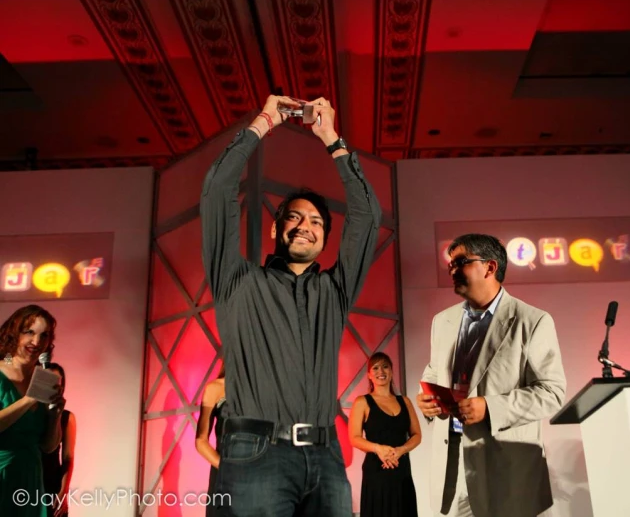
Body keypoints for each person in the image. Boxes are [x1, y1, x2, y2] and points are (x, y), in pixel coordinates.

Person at [200, 94, 381, 516]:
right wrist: (263, 123)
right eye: (295, 217)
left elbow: (368, 217)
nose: (306, 226)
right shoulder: (238, 282)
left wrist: (332, 139)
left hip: (325, 455)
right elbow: (217, 192)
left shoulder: (334, 291)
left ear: (324, 241)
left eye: (317, 222)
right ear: (275, 229)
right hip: (255, 452)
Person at [416, 234, 567, 517]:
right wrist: (427, 401)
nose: (451, 269)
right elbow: (434, 372)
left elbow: (552, 392)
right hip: (454, 469)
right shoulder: (442, 321)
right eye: (450, 263)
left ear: (490, 267)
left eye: (460, 262)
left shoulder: (532, 320)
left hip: (505, 470)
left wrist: (490, 407)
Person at [0, 305, 65, 517]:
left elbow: (48, 447)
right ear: (14, 332)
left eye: (44, 335)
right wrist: (29, 399)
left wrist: (54, 417)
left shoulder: (44, 377)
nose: (37, 342)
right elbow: (7, 359)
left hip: (30, 478)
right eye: (29, 332)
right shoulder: (2, 368)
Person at [349, 352, 421, 517]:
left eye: (385, 366)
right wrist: (378, 449)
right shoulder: (362, 402)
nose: (380, 371)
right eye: (375, 367)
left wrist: (401, 450)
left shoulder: (405, 401)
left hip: (402, 471)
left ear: (391, 371)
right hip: (376, 474)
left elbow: (417, 435)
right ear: (369, 375)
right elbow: (354, 438)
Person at [41, 363, 76, 517]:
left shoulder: (66, 417)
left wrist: (63, 492)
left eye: (57, 382)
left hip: (51, 483)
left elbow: (68, 457)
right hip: (26, 477)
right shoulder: (28, 413)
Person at [195, 363, 226, 517]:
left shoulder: (261, 390)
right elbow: (201, 441)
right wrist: (229, 468)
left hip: (260, 475)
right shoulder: (216, 388)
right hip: (224, 474)